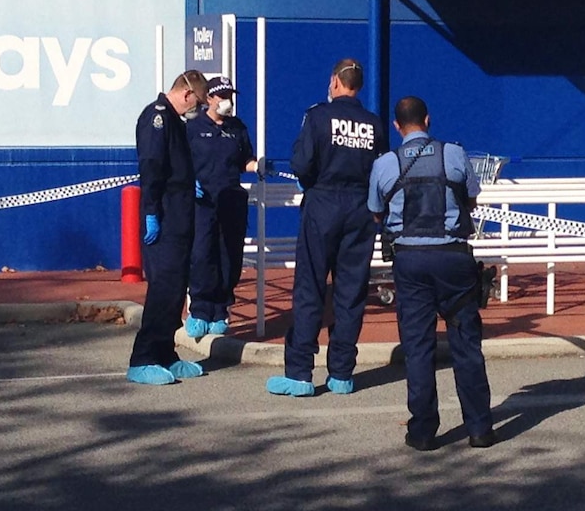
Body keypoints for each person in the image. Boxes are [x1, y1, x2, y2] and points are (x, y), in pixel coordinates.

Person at [367, 96, 496, 450]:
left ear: (397, 126)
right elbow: (471, 200)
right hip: (453, 259)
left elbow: (376, 213)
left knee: (418, 347)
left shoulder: (385, 164)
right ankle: (480, 428)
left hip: (410, 262)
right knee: (466, 345)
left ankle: (423, 432)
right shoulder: (454, 154)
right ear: (428, 119)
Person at [266, 58, 388, 397]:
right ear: (358, 85)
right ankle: (342, 374)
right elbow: (382, 169)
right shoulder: (373, 124)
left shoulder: (318, 116)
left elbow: (301, 163)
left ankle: (301, 373)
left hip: (323, 204)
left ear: (335, 81)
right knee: (351, 291)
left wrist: (313, 181)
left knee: (310, 288)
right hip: (360, 208)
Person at [128, 70, 208, 385]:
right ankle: (143, 357)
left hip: (180, 213)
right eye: (199, 103)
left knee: (176, 290)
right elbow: (152, 167)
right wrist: (150, 211)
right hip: (164, 215)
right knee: (163, 289)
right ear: (187, 94)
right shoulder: (157, 118)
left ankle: (165, 353)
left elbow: (176, 165)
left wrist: (191, 183)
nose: (199, 109)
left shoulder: (176, 122)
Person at [185, 76, 260, 337]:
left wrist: (258, 165)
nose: (227, 100)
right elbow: (181, 162)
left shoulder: (237, 127)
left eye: (230, 94)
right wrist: (188, 182)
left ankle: (221, 309)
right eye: (222, 95)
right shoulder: (193, 128)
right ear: (209, 99)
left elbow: (245, 161)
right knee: (202, 253)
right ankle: (200, 309)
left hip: (231, 200)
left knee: (230, 256)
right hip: (203, 201)